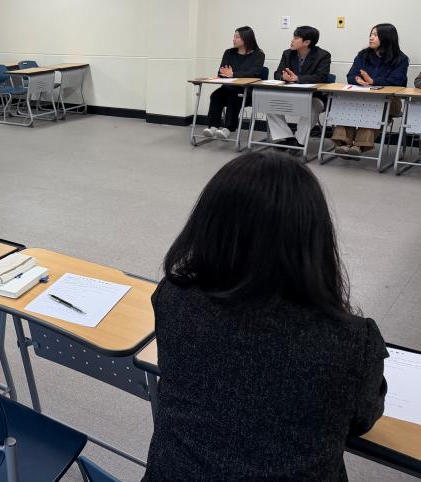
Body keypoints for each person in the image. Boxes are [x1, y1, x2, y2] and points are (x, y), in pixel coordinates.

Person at [143, 151, 386, 482]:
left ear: (209, 226)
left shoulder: (173, 297)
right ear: (312, 239)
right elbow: (362, 418)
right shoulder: (352, 340)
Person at [331, 24, 408, 156]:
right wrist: (357, 80)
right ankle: (344, 143)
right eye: (370, 34)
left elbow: (397, 81)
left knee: (373, 105)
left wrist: (373, 81)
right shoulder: (363, 55)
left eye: (375, 35)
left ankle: (359, 146)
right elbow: (351, 75)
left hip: (390, 100)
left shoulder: (401, 59)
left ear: (387, 38)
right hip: (363, 97)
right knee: (347, 103)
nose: (371, 38)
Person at [265, 26, 331, 147]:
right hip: (291, 95)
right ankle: (287, 137)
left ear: (307, 42)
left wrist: (298, 79)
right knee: (269, 104)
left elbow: (321, 77)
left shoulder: (323, 55)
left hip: (314, 97)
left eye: (296, 38)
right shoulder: (287, 54)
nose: (292, 40)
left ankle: (299, 142)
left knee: (313, 107)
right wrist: (283, 77)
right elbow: (277, 73)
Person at [202, 26, 265, 140]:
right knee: (215, 95)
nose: (233, 39)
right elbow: (221, 72)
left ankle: (227, 129)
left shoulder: (258, 54)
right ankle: (213, 127)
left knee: (234, 95)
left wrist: (233, 74)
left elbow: (254, 73)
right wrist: (228, 74)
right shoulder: (229, 53)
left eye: (237, 37)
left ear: (246, 38)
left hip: (246, 90)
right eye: (234, 36)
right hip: (228, 88)